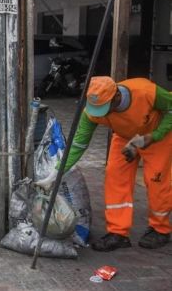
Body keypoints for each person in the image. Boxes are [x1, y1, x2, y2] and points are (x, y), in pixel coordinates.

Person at [37, 76, 171, 251]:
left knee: (156, 181)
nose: (99, 113)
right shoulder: (92, 112)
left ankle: (160, 229)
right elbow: (78, 144)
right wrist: (55, 174)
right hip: (125, 137)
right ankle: (118, 233)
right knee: (115, 177)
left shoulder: (146, 92)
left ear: (116, 97)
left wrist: (153, 136)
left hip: (156, 135)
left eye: (104, 108)